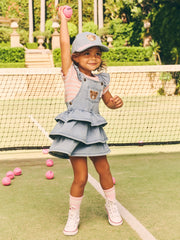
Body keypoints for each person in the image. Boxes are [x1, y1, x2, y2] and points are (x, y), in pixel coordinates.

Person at [49, 6, 123, 236]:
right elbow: (63, 44)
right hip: (73, 132)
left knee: (105, 171)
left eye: (97, 53)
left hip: (94, 131)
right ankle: (74, 215)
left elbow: (108, 101)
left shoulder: (102, 80)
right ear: (75, 57)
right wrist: (63, 19)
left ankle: (111, 205)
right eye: (87, 53)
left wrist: (114, 103)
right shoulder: (70, 72)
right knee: (80, 178)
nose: (93, 58)